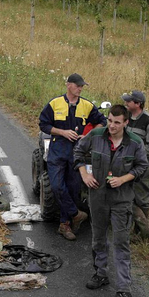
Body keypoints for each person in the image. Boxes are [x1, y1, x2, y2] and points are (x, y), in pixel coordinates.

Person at [74, 104, 148, 297]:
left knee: (121, 242)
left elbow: (142, 166)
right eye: (110, 121)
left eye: (117, 122)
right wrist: (85, 174)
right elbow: (78, 153)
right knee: (98, 238)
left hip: (122, 200)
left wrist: (123, 179)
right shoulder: (97, 135)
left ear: (126, 123)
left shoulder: (134, 143)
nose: (112, 126)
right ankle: (100, 273)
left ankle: (124, 289)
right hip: (97, 197)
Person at [39, 73, 107, 241]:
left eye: (82, 86)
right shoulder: (55, 104)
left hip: (77, 151)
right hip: (58, 149)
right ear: (68, 85)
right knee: (56, 186)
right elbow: (43, 124)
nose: (80, 88)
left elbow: (102, 122)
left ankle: (65, 224)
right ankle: (76, 214)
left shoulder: (87, 105)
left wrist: (89, 135)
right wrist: (62, 131)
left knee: (73, 188)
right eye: (77, 85)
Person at [122, 90, 149, 240]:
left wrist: (133, 151)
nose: (126, 103)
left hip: (143, 166)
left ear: (137, 104)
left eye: (129, 101)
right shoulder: (127, 118)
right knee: (126, 195)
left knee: (141, 199)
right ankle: (137, 230)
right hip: (127, 165)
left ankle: (143, 234)